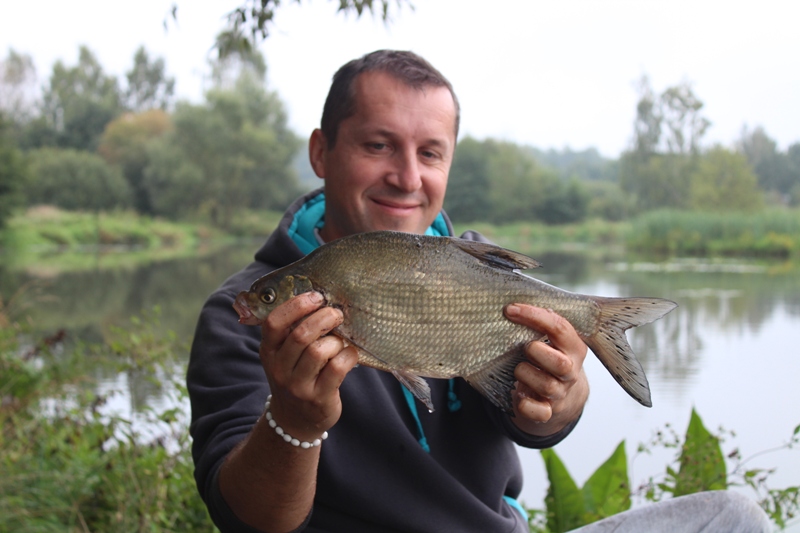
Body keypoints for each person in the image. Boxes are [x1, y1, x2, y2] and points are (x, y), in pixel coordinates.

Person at [188, 50, 771, 533]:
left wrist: (559, 403)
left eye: (430, 153)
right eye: (378, 145)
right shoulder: (240, 316)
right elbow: (248, 518)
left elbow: (530, 420)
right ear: (321, 152)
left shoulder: (477, 269)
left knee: (736, 517)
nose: (408, 177)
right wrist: (295, 421)